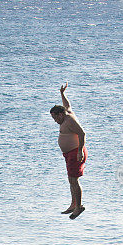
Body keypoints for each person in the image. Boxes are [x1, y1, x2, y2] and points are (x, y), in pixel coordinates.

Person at [50, 83, 87, 219]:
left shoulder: (69, 120)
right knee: (71, 180)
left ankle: (79, 207)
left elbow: (82, 133)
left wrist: (80, 151)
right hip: (69, 154)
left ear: (61, 114)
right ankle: (73, 204)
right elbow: (67, 104)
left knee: (74, 180)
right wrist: (62, 94)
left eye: (55, 117)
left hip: (75, 153)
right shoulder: (66, 113)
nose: (55, 121)